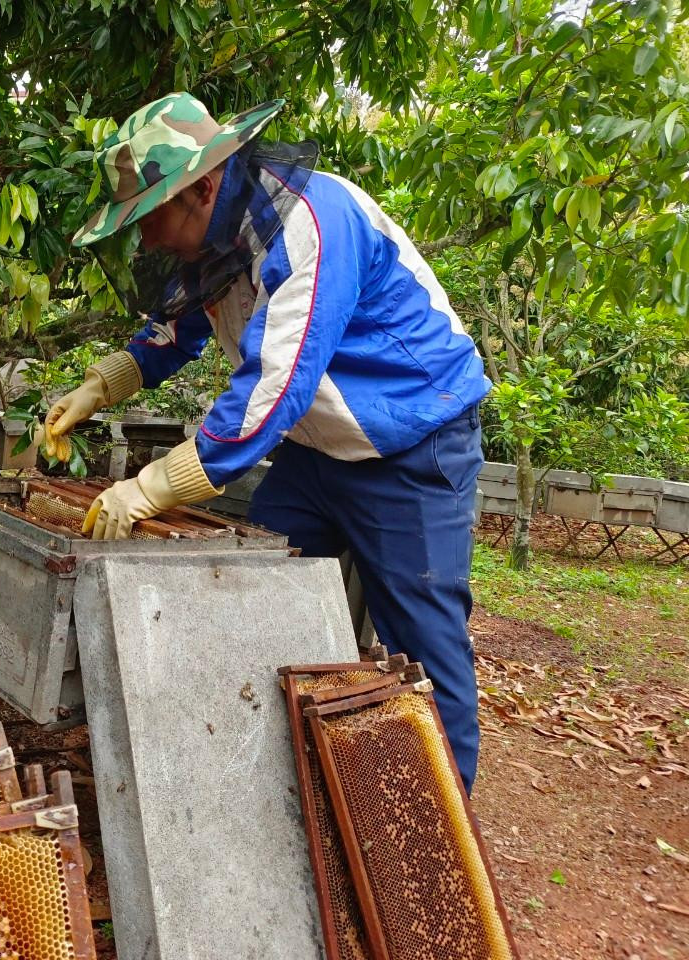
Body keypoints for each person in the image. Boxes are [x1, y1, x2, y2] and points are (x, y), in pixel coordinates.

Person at [45, 92, 490, 792]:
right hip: (316, 454)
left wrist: (152, 487)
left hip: (412, 445)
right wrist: (101, 385)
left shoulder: (312, 222)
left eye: (151, 215)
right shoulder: (220, 238)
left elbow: (272, 387)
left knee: (423, 653)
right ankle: (285, 788)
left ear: (200, 187)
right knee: (250, 594)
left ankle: (438, 853)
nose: (147, 239)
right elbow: (179, 328)